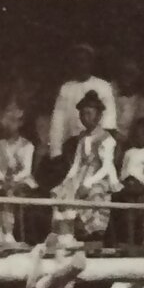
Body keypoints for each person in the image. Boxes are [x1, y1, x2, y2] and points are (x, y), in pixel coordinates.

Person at [52, 92, 120, 244]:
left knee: (94, 194)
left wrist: (88, 183)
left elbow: (107, 166)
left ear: (98, 116)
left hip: (100, 177)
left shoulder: (106, 139)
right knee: (62, 192)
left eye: (89, 114)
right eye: (82, 114)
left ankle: (93, 234)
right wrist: (68, 180)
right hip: (82, 174)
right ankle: (65, 235)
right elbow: (77, 163)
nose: (85, 118)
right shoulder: (82, 139)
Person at [0, 102, 38, 247]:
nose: (10, 126)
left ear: (20, 124)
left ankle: (9, 232)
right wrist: (3, 179)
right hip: (3, 180)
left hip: (22, 180)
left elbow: (27, 170)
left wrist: (14, 179)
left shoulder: (27, 145)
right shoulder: (0, 145)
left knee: (11, 192)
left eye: (14, 122)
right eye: (8, 122)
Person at [45, 43, 116, 157]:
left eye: (84, 61)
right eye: (77, 61)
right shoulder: (66, 89)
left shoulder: (103, 86)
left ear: (90, 63)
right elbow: (57, 123)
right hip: (72, 144)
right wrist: (56, 151)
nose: (80, 65)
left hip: (97, 143)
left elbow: (109, 121)